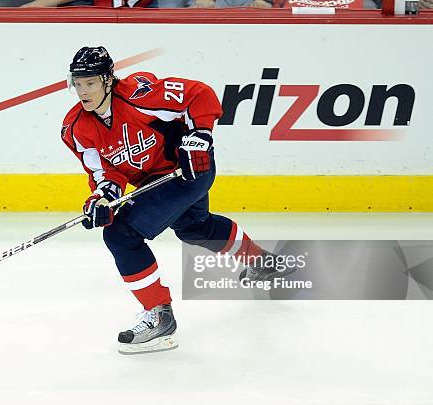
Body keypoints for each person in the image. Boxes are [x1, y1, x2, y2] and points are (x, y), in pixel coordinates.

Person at [61, 46, 283, 355]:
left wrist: (201, 135)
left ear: (108, 80)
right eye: (78, 83)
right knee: (195, 227)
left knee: (121, 234)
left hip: (190, 168)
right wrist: (103, 198)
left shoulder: (141, 95)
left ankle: (159, 316)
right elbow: (105, 171)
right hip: (155, 182)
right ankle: (261, 262)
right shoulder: (76, 128)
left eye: (90, 83)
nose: (83, 91)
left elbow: (200, 94)